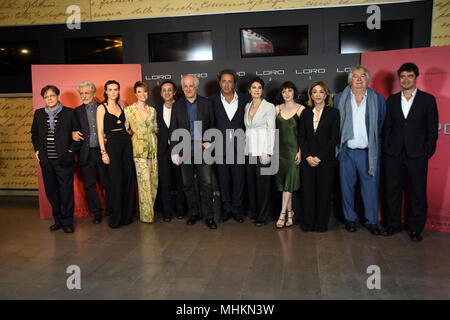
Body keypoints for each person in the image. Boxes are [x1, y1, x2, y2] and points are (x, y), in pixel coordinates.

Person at [382, 62, 439, 242]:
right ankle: (393, 225)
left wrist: (426, 151)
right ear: (399, 78)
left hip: (417, 154)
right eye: (403, 76)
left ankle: (415, 229)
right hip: (394, 154)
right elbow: (387, 127)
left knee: (417, 192)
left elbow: (432, 129)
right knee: (392, 191)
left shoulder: (427, 100)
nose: (406, 79)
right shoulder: (391, 100)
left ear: (416, 77)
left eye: (410, 76)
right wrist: (387, 148)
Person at [334, 65, 386, 236]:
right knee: (346, 188)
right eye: (355, 76)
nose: (358, 79)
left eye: (362, 76)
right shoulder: (340, 98)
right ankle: (350, 219)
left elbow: (382, 124)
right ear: (350, 79)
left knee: (370, 189)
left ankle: (372, 221)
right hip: (347, 152)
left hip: (367, 153)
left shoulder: (377, 99)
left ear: (367, 79)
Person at [31, 85, 81, 233]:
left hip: (64, 160)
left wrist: (71, 152)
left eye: (52, 95)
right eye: (46, 97)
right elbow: (34, 133)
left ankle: (67, 222)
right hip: (47, 162)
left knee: (66, 192)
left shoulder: (69, 113)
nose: (49, 99)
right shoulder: (39, 114)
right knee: (52, 192)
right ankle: (58, 220)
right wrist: (37, 149)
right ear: (44, 99)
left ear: (58, 96)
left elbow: (78, 136)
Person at [169, 74, 217, 229]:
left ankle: (209, 216)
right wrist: (174, 150)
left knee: (207, 183)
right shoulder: (177, 105)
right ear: (182, 89)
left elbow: (213, 125)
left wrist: (209, 141)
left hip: (202, 148)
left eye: (191, 86)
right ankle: (194, 213)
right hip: (184, 148)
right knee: (188, 184)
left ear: (196, 87)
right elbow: (173, 128)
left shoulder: (207, 103)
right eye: (185, 86)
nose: (188, 89)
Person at [298, 81, 340, 232]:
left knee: (323, 194)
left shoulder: (333, 113)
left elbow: (334, 138)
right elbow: (301, 137)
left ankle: (321, 224)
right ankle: (308, 224)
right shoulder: (305, 113)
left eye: (321, 91)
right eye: (314, 92)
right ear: (311, 95)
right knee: (308, 194)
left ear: (326, 94)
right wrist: (308, 156)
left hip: (326, 161)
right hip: (307, 161)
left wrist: (319, 157)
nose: (317, 94)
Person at [96, 80, 136, 228]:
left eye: (116, 89)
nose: (113, 92)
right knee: (115, 181)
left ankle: (126, 217)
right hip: (112, 146)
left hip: (126, 144)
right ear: (105, 92)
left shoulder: (121, 107)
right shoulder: (101, 108)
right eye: (110, 89)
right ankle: (116, 218)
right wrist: (103, 152)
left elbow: (127, 128)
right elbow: (100, 132)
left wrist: (131, 133)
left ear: (119, 91)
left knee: (127, 179)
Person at [211, 69, 247, 224]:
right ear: (220, 83)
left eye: (230, 81)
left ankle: (237, 209)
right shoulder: (211, 100)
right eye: (224, 81)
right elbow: (206, 121)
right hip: (220, 147)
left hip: (240, 146)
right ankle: (226, 209)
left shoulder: (245, 99)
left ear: (234, 83)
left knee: (239, 180)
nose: (226, 84)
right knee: (223, 180)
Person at [72, 81, 110, 224]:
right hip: (86, 154)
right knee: (89, 185)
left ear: (94, 93)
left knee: (107, 183)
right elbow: (72, 128)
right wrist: (72, 133)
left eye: (87, 92)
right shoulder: (76, 111)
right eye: (81, 93)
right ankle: (97, 214)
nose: (84, 96)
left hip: (102, 152)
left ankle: (111, 210)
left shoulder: (104, 108)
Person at [124, 81, 158, 223]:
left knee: (153, 181)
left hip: (153, 148)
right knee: (143, 182)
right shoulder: (129, 110)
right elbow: (125, 129)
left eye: (144, 91)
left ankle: (150, 211)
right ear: (135, 93)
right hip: (138, 150)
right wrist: (135, 134)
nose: (142, 94)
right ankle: (147, 216)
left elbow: (156, 127)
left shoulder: (152, 111)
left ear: (148, 93)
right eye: (139, 92)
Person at [244, 77, 276, 227]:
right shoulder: (247, 106)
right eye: (253, 87)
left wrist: (268, 151)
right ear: (249, 90)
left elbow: (271, 129)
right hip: (250, 150)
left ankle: (263, 215)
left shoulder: (268, 106)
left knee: (263, 185)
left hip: (263, 151)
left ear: (262, 90)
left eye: (259, 88)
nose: (256, 90)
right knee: (252, 184)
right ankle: (255, 211)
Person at [274, 81, 304, 229]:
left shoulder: (301, 109)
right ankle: (290, 213)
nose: (286, 94)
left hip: (293, 151)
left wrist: (300, 150)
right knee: (287, 184)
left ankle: (282, 214)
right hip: (280, 152)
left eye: (289, 91)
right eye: (284, 91)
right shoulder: (276, 109)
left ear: (294, 92)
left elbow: (305, 134)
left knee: (288, 184)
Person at [155, 80, 186, 222]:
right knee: (165, 181)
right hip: (163, 151)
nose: (167, 92)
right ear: (161, 93)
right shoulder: (156, 109)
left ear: (174, 92)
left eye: (169, 90)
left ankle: (181, 210)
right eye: (164, 90)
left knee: (181, 181)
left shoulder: (182, 106)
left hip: (179, 149)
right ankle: (167, 212)